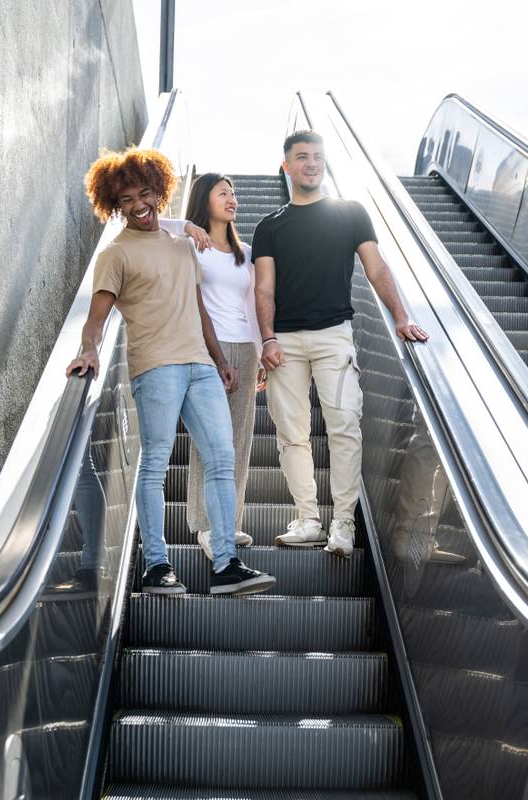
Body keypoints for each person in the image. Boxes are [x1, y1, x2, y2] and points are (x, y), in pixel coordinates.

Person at [66, 147, 275, 596]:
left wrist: (220, 360)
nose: (138, 204)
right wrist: (89, 351)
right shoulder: (116, 254)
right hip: (155, 368)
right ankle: (158, 565)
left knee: (222, 458)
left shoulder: (184, 246)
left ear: (160, 192)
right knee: (155, 465)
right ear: (114, 205)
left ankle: (225, 564)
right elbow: (97, 318)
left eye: (145, 193)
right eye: (126, 199)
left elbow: (199, 310)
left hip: (200, 366)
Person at [253, 130, 428, 558]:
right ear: (286, 166)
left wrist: (401, 316)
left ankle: (344, 524)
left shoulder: (350, 213)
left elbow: (376, 267)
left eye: (317, 156)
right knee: (290, 433)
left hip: (335, 336)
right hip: (286, 344)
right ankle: (308, 519)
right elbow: (263, 289)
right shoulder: (269, 227)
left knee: (344, 426)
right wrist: (269, 338)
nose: (311, 163)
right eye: (301, 157)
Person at [159, 174, 262, 560]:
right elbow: (143, 223)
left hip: (244, 351)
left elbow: (251, 306)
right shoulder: (189, 244)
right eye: (223, 193)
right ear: (206, 199)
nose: (232, 199)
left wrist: (259, 349)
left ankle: (229, 522)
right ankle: (205, 525)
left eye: (234, 193)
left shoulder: (245, 252)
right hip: (204, 349)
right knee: (210, 440)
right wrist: (185, 224)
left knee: (240, 439)